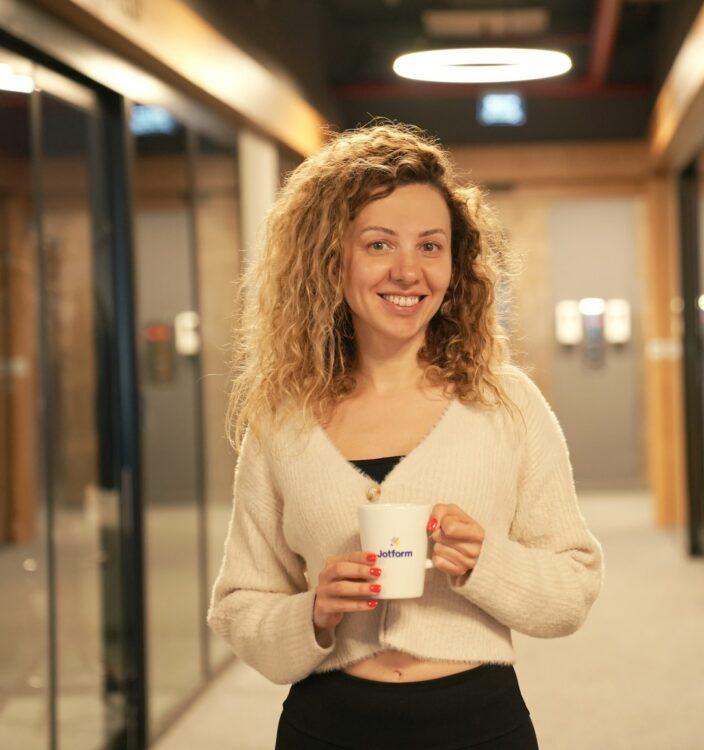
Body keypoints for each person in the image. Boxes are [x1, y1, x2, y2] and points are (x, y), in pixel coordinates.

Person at [207, 122, 603, 750]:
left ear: (455, 262)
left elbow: (572, 588)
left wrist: (486, 562)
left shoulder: (506, 405)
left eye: (430, 246)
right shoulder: (283, 420)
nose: (408, 271)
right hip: (328, 724)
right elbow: (238, 604)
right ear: (330, 259)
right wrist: (312, 610)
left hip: (478, 723)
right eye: (379, 244)